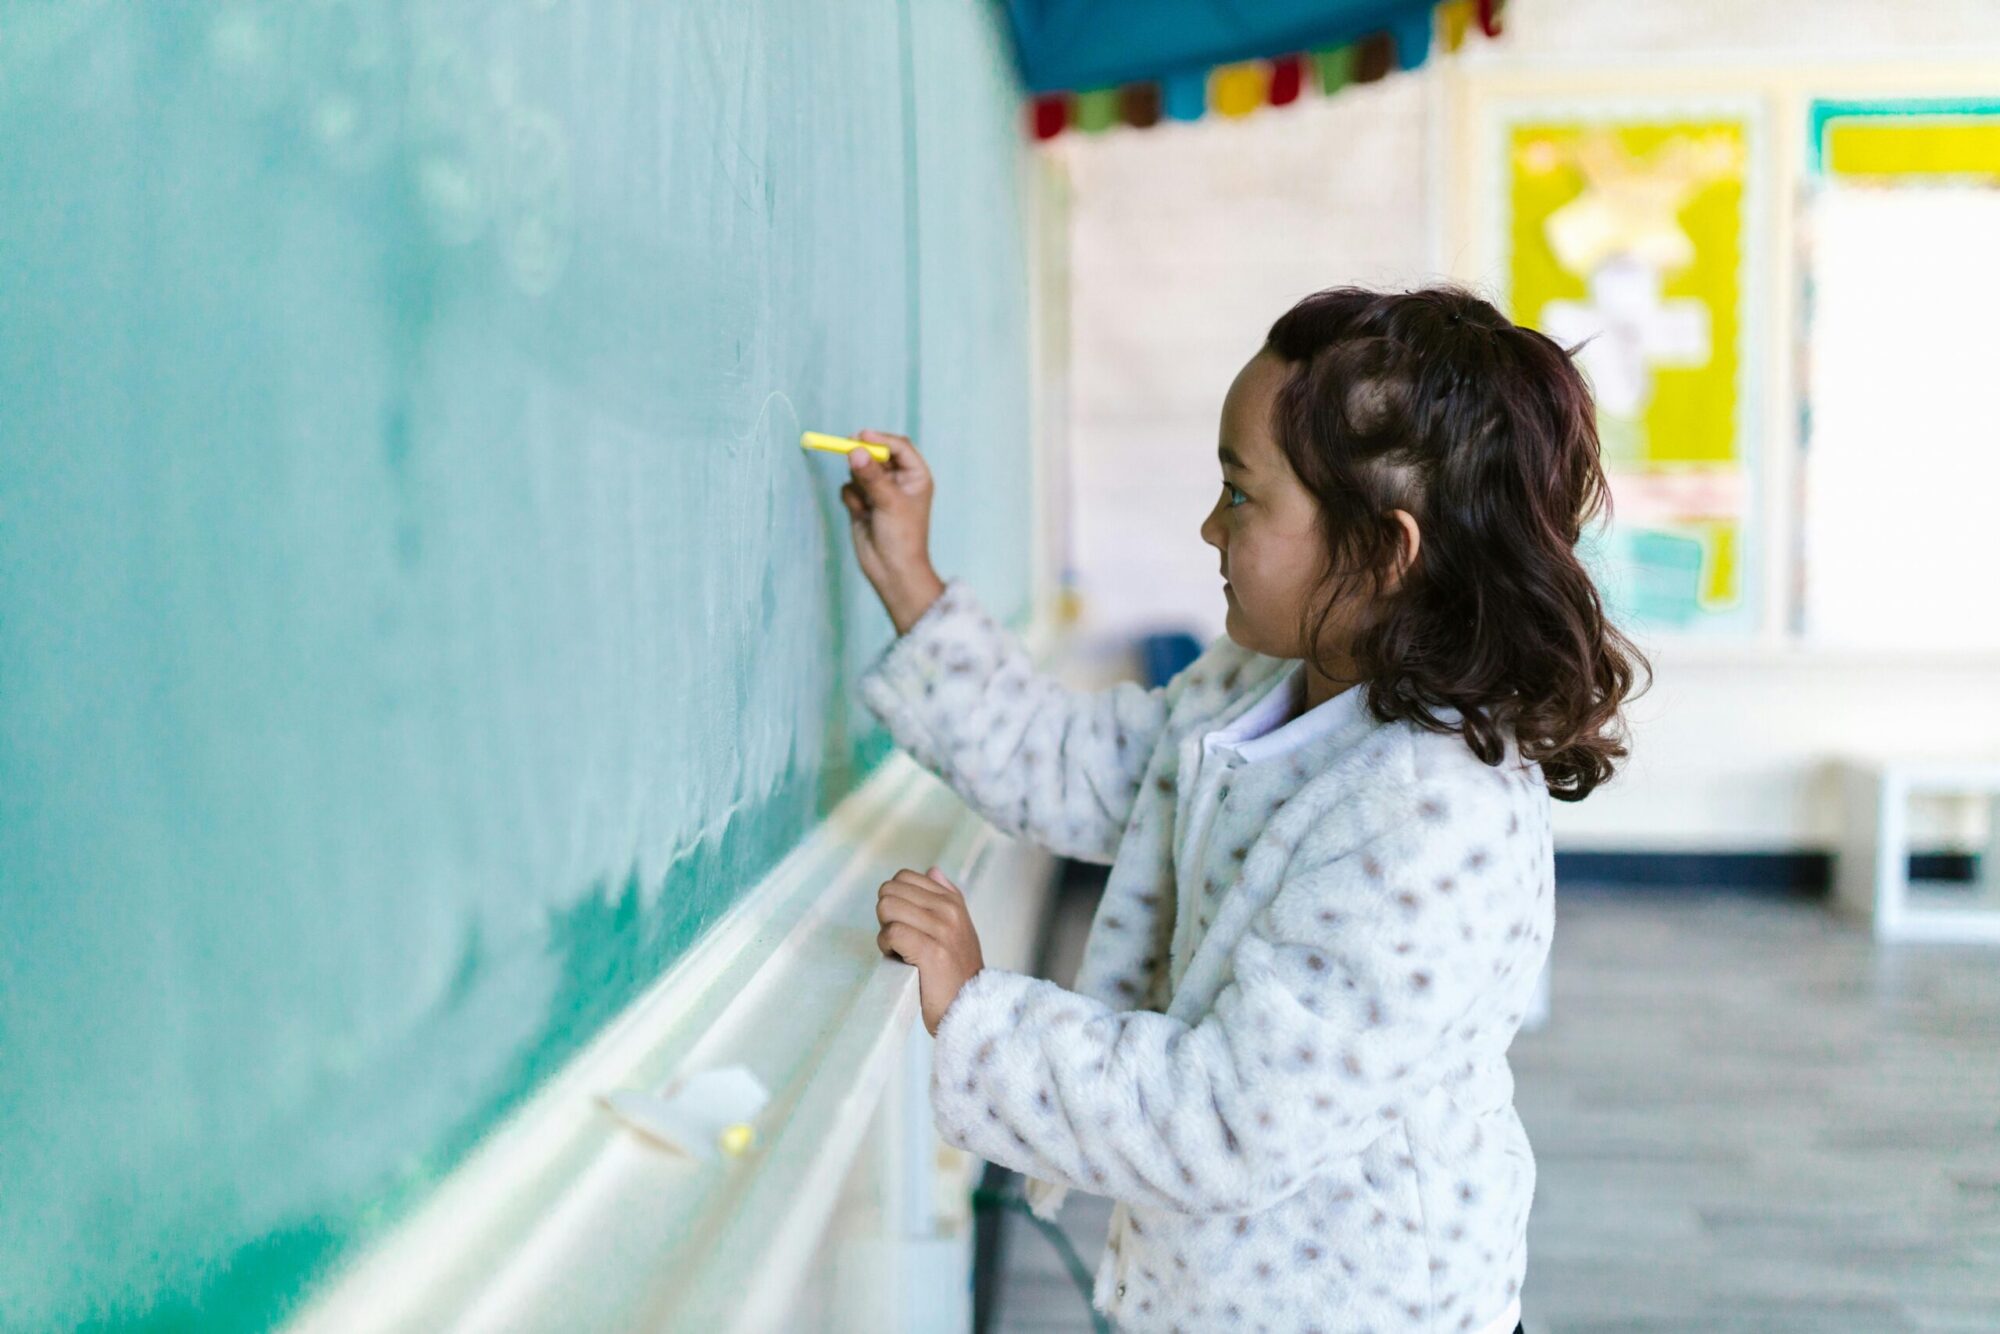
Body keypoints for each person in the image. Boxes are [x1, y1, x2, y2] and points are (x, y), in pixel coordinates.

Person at [842, 284, 1647, 1333]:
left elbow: (1224, 1118)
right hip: (1215, 1291)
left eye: (1240, 493)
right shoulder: (1259, 677)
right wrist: (910, 577)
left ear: (1380, 553)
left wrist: (977, 1008)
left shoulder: (1426, 816)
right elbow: (1081, 769)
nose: (1207, 525)